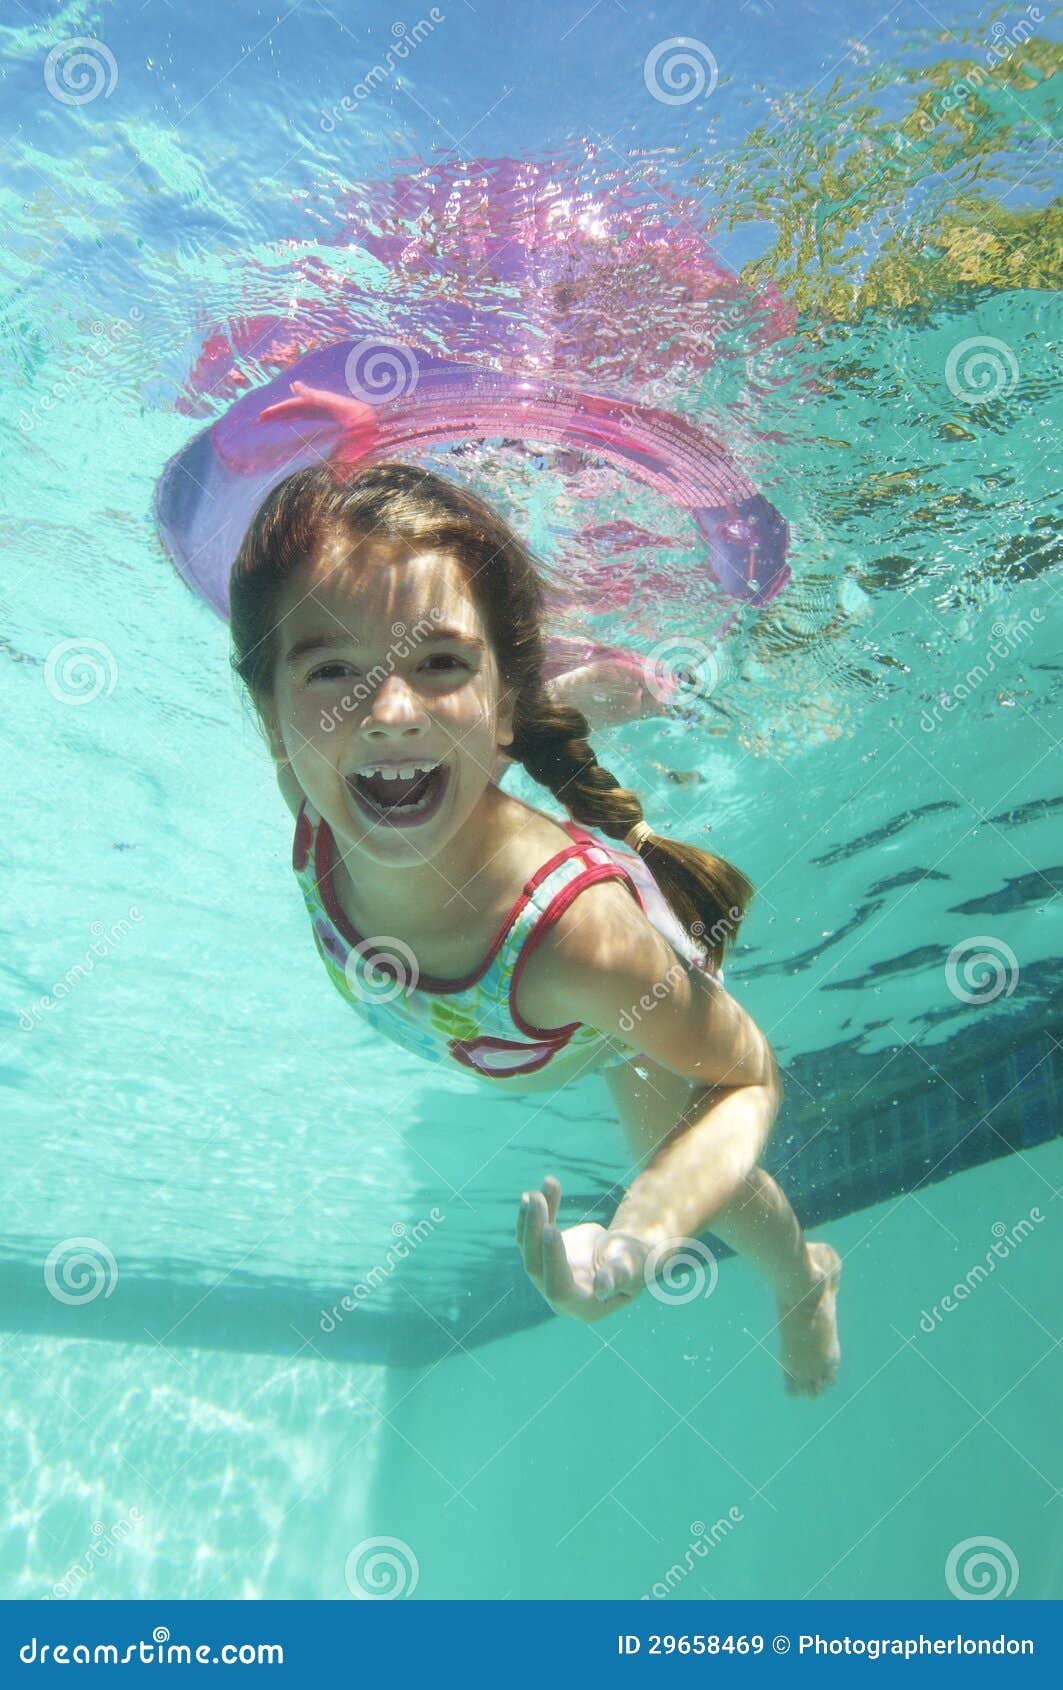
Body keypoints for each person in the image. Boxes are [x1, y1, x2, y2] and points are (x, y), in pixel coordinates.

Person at [229, 461, 841, 1395]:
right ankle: (547, 688)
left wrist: (638, 1241)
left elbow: (747, 1075)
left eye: (438, 662)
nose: (384, 713)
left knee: (667, 1157)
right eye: (333, 672)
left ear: (502, 700)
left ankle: (803, 1276)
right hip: (501, 759)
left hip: (605, 1025)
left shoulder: (580, 944)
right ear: (271, 718)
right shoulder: (312, 795)